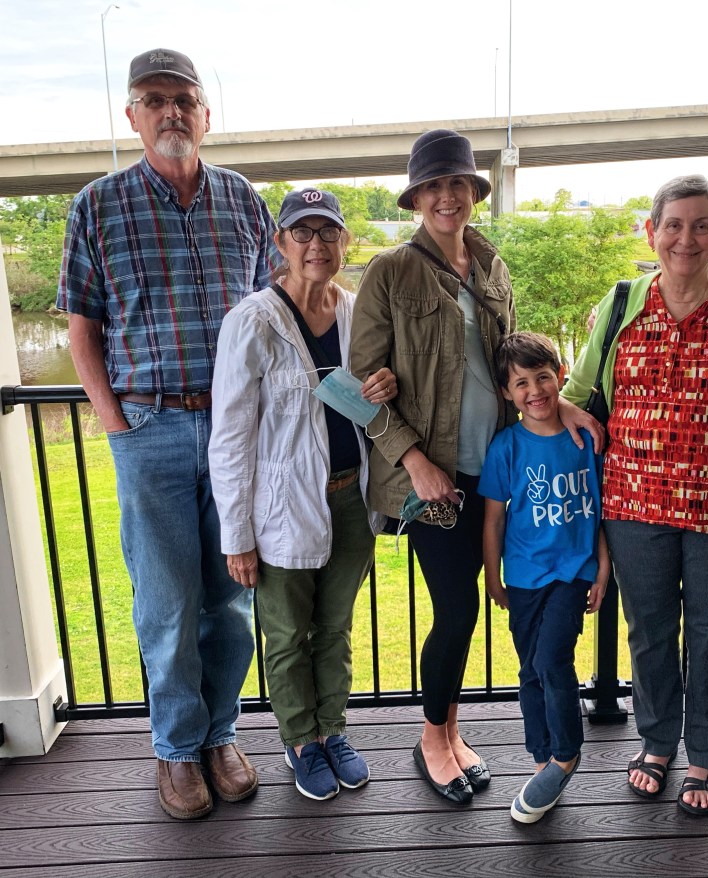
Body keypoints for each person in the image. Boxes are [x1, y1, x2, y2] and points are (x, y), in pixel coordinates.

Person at [57, 47, 276, 820]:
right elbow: (82, 329)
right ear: (132, 115)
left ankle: (220, 735)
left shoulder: (243, 200)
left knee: (232, 598)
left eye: (184, 98)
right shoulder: (97, 206)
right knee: (167, 602)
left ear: (206, 113)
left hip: (235, 431)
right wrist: (115, 422)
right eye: (154, 100)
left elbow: (274, 312)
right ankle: (177, 749)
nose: (171, 111)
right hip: (147, 426)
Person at [351, 129, 596, 803]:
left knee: (468, 611)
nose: (446, 197)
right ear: (415, 199)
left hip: (491, 470)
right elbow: (357, 387)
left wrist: (559, 403)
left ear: (473, 192)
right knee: (457, 610)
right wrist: (414, 462)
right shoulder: (389, 271)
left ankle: (453, 734)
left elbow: (513, 361)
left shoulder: (491, 265)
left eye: (456, 183)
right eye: (432, 186)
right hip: (432, 479)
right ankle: (433, 740)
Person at [563, 175, 708, 816]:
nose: (687, 238)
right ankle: (656, 743)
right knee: (650, 631)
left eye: (702, 225)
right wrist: (567, 414)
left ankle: (707, 755)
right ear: (651, 232)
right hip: (634, 503)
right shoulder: (621, 302)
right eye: (674, 225)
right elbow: (577, 392)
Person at [209, 189, 396, 801]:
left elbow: (373, 400)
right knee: (288, 632)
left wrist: (386, 384)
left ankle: (332, 729)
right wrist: (237, 536)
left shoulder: (357, 312)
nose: (317, 244)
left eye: (328, 231)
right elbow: (230, 437)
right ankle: (300, 739)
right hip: (282, 506)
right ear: (281, 243)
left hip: (351, 499)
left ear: (345, 241)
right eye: (302, 232)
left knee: (335, 627)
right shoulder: (253, 321)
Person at [480, 332, 610, 824]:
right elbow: (494, 520)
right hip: (523, 576)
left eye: (542, 377)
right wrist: (493, 578)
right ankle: (542, 757)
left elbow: (600, 508)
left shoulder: (585, 440)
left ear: (560, 376)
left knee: (553, 658)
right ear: (506, 392)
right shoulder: (506, 448)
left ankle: (567, 754)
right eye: (521, 383)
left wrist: (603, 566)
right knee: (529, 669)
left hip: (572, 571)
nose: (534, 390)